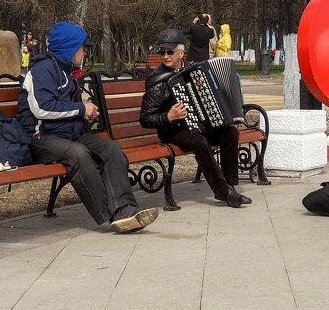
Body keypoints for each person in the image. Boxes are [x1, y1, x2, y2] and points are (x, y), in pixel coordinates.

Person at [17, 21, 160, 232]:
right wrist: (81, 110)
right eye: (83, 48)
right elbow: (41, 108)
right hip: (41, 138)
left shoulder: (67, 70)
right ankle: (114, 214)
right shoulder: (43, 68)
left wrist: (87, 115)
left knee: (111, 148)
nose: (85, 53)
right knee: (79, 154)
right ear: (69, 48)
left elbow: (68, 108)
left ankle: (126, 207)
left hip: (69, 134)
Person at [140, 29, 251, 208]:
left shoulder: (195, 68)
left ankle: (230, 186)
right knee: (200, 142)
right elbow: (145, 118)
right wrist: (168, 117)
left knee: (230, 132)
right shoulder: (157, 81)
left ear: (181, 53)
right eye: (162, 52)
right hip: (173, 130)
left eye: (170, 52)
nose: (165, 56)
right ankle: (223, 192)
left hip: (202, 125)